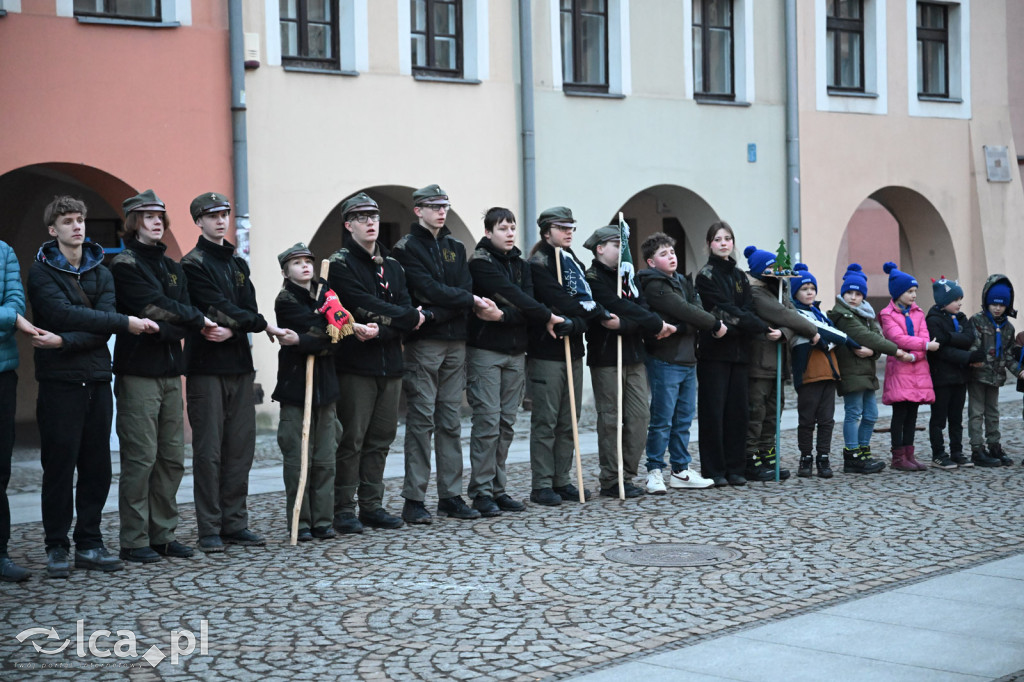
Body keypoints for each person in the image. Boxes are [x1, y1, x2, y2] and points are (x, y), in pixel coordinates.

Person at [29, 195, 159, 578]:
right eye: (68, 221)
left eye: (80, 219)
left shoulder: (101, 269)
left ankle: (90, 542)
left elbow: (103, 320)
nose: (77, 226)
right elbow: (59, 314)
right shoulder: (41, 272)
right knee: (58, 467)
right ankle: (56, 546)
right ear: (53, 230)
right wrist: (111, 325)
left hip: (98, 378)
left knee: (97, 466)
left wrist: (67, 340)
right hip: (60, 382)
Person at [181, 192, 295, 553]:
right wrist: (252, 323)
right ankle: (209, 528)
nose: (220, 220)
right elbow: (213, 306)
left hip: (239, 366)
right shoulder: (192, 264)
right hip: (206, 368)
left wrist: (237, 327)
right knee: (209, 451)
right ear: (198, 221)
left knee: (240, 450)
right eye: (211, 215)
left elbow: (245, 308)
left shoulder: (237, 263)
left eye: (224, 214)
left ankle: (235, 522)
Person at [111, 190, 210, 564]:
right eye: (148, 216)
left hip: (171, 372)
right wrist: (181, 320)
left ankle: (163, 535)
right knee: (140, 458)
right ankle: (134, 539)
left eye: (160, 216)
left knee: (171, 458)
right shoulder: (124, 264)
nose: (156, 222)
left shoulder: (172, 265)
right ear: (133, 221)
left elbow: (181, 314)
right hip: (138, 372)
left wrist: (171, 325)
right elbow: (149, 307)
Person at [392, 184, 496, 524]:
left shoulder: (454, 246)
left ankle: (451, 495)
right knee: (421, 422)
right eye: (433, 206)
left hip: (455, 340)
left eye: (444, 206)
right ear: (417, 211)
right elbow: (424, 289)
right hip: (425, 344)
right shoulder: (406, 248)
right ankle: (414, 499)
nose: (441, 212)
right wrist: (455, 303)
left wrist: (439, 310)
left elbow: (464, 291)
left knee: (450, 422)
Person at [328, 193, 420, 533]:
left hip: (390, 364)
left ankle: (372, 504)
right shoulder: (339, 264)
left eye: (375, 217)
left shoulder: (393, 266)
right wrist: (397, 322)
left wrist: (391, 323)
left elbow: (407, 310)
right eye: (362, 217)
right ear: (348, 224)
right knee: (352, 438)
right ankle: (342, 508)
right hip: (356, 364)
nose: (370, 223)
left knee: (382, 437)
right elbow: (358, 305)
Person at [466, 207, 559, 515]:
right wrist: (532, 312)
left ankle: (498, 488)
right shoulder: (480, 264)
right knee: (488, 422)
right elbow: (515, 297)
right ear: (488, 232)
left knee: (507, 423)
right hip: (486, 352)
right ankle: (481, 491)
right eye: (502, 228)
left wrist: (504, 314)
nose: (509, 234)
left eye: (512, 228)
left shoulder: (522, 265)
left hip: (516, 352)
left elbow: (527, 305)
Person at [527, 207, 611, 506]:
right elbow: (558, 300)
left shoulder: (571, 260)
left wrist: (577, 322)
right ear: (546, 231)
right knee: (547, 420)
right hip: (547, 351)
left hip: (573, 348)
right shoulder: (539, 263)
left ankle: (562, 479)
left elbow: (585, 301)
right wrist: (580, 316)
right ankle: (542, 483)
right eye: (561, 228)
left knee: (569, 420)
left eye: (571, 228)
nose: (568, 232)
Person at [584, 226, 672, 499]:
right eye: (615, 244)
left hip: (634, 355)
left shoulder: (628, 275)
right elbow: (611, 307)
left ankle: (628, 474)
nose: (621, 250)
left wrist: (626, 324)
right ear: (600, 248)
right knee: (611, 419)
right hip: (606, 357)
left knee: (638, 417)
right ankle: (611, 479)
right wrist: (645, 322)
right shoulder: (593, 277)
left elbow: (639, 308)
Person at [637, 232, 723, 494]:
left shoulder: (684, 281)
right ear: (651, 262)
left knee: (684, 419)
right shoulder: (654, 284)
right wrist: (713, 324)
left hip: (688, 359)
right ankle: (654, 470)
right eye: (663, 254)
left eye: (672, 252)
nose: (671, 257)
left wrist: (680, 325)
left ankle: (680, 470)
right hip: (665, 359)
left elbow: (694, 311)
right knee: (662, 418)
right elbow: (687, 310)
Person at [273, 243, 345, 542]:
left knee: (325, 456)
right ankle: (300, 521)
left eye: (307, 261)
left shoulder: (326, 293)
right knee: (298, 456)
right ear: (286, 271)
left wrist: (309, 336)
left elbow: (339, 332)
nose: (305, 266)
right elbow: (320, 330)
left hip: (325, 386)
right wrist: (320, 328)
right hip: (296, 385)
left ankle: (323, 521)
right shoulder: (286, 299)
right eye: (297, 262)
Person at [694, 222, 774, 487]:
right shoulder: (705, 275)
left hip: (740, 353)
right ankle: (714, 469)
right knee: (713, 413)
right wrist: (751, 325)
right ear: (709, 244)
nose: (723, 243)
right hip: (714, 354)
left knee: (737, 412)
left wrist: (744, 324)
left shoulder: (740, 276)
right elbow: (720, 310)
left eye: (728, 238)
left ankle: (735, 467)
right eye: (718, 239)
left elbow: (747, 309)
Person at [742, 245, 818, 482]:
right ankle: (751, 457)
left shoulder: (780, 289)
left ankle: (767, 452)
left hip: (778, 363)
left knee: (774, 414)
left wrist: (785, 333)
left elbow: (791, 317)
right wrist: (810, 330)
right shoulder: (756, 294)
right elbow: (785, 315)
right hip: (759, 363)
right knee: (757, 412)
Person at [789, 264, 867, 478]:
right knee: (806, 419)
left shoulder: (820, 313)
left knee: (826, 419)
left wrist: (825, 342)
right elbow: (820, 333)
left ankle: (823, 457)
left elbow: (830, 337)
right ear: (795, 292)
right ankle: (806, 458)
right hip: (808, 373)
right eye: (804, 289)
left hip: (828, 372)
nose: (809, 292)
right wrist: (838, 341)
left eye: (812, 288)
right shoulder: (795, 314)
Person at [827, 264, 905, 474]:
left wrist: (873, 353)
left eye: (858, 293)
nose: (853, 297)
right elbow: (868, 337)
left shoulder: (865, 314)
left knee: (870, 414)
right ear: (843, 294)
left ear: (863, 296)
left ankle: (863, 452)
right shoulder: (844, 316)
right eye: (849, 293)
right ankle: (852, 457)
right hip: (851, 371)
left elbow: (876, 341)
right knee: (854, 413)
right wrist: (896, 351)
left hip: (865, 370)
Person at [1, 239, 43, 581]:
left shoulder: (4, 252)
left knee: (1, 469)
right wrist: (7, 317)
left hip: (2, 374)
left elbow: (17, 302)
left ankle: (0, 554)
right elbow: (10, 314)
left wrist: (12, 314)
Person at [879, 262, 938, 472]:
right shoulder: (887, 314)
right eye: (910, 291)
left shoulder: (918, 313)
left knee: (912, 414)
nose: (914, 295)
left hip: (916, 369)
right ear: (898, 293)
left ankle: (909, 454)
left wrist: (915, 355)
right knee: (900, 413)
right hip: (900, 369)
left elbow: (924, 336)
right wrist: (922, 347)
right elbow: (897, 338)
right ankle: (897, 456)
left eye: (915, 291)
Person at [925, 277, 983, 469]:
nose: (959, 303)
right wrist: (968, 357)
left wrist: (949, 337)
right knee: (939, 418)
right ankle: (938, 454)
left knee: (956, 418)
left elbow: (968, 338)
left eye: (960, 299)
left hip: (960, 377)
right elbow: (940, 350)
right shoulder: (932, 320)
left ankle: (957, 452)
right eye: (955, 299)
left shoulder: (961, 318)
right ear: (943, 301)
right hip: (941, 377)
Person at [967, 275, 1017, 466]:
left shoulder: (1007, 328)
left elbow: (1009, 354)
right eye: (993, 304)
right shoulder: (977, 321)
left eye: (1002, 305)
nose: (997, 308)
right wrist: (975, 363)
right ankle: (977, 449)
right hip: (978, 375)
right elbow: (973, 348)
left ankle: (994, 445)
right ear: (986, 302)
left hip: (996, 377)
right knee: (976, 412)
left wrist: (1018, 371)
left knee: (993, 412)